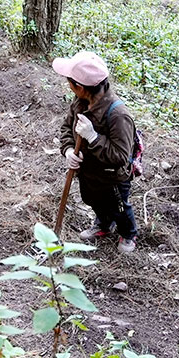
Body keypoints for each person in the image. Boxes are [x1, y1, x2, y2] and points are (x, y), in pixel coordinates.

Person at [53, 51, 139, 254]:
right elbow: (66, 128)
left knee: (119, 207)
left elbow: (120, 157)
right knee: (92, 200)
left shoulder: (118, 115)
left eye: (70, 82)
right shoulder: (80, 103)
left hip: (112, 178)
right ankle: (103, 225)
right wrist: (67, 151)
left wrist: (93, 137)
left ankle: (128, 234)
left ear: (80, 87)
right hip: (88, 172)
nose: (69, 85)